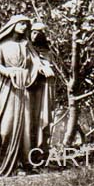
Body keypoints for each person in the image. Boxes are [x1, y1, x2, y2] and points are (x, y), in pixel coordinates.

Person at [0, 15, 54, 177]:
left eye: (26, 25)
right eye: (21, 24)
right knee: (6, 127)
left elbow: (35, 63)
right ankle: (3, 162)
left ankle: (23, 164)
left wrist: (43, 70)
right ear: (12, 25)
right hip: (6, 88)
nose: (24, 27)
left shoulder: (27, 45)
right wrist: (9, 72)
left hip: (25, 90)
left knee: (27, 127)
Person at [29, 22, 55, 156]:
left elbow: (49, 67)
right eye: (33, 32)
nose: (36, 35)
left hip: (43, 88)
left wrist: (46, 68)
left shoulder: (47, 51)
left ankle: (41, 151)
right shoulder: (26, 49)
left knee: (42, 118)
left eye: (39, 32)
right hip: (28, 89)